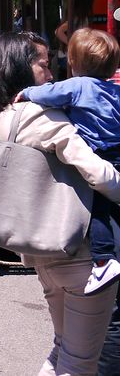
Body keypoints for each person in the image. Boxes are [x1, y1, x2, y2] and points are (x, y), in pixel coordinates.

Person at [0, 31, 120, 375]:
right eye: (43, 65)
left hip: (40, 252)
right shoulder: (41, 116)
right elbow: (97, 173)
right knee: (79, 362)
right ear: (20, 68)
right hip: (80, 253)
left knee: (62, 348)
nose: (52, 74)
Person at [16, 28, 120, 294]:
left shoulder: (76, 86)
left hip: (98, 152)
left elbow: (47, 94)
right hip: (117, 151)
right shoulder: (114, 90)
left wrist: (26, 93)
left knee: (98, 209)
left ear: (73, 63)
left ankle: (103, 260)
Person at [56, 0, 95, 79]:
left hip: (71, 56)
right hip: (68, 57)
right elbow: (58, 32)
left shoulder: (80, 18)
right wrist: (73, 44)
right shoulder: (76, 19)